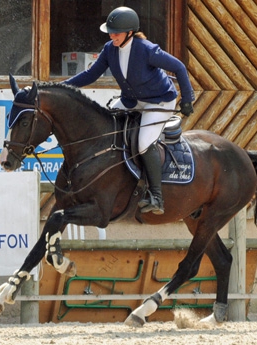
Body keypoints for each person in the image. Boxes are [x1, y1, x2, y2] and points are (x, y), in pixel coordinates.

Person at [64, 6, 195, 215]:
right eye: (110, 32)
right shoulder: (109, 49)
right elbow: (90, 75)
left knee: (144, 143)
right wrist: (63, 87)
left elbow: (179, 67)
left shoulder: (147, 49)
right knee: (107, 127)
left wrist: (187, 100)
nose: (111, 35)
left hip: (158, 102)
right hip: (132, 100)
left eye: (116, 32)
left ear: (130, 33)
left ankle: (156, 196)